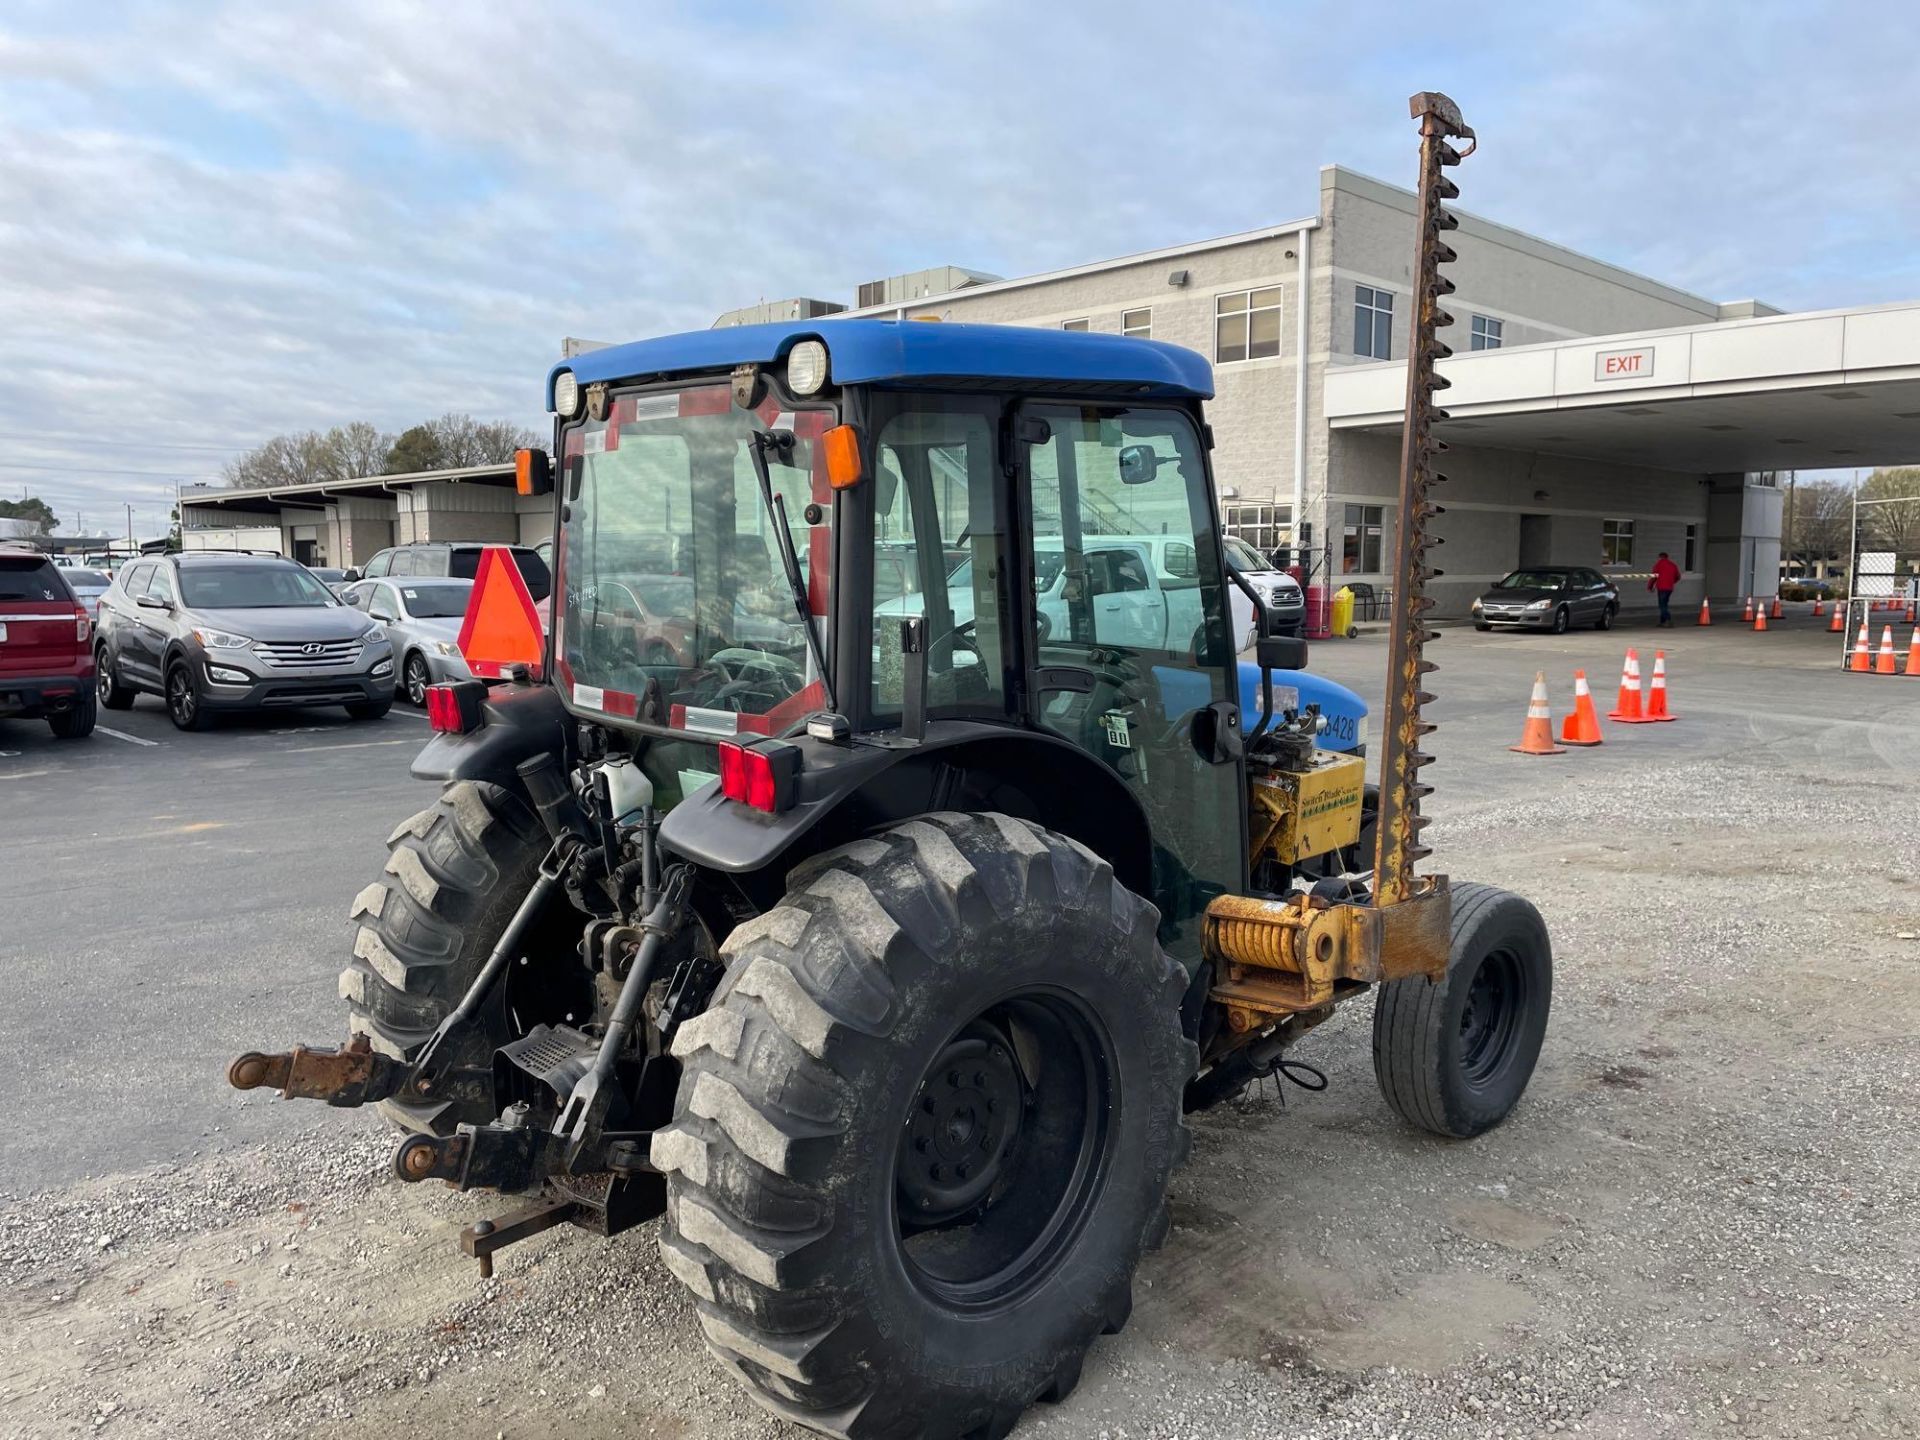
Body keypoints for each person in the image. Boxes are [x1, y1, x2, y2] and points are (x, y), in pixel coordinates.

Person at [1649, 551, 1681, 626]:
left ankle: (1668, 619)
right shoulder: (1673, 565)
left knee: (1662, 605)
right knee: (1665, 604)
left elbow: (1654, 576)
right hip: (1669, 588)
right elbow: (1678, 576)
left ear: (1660, 557)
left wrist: (1650, 587)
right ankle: (1662, 622)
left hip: (1661, 587)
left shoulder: (1658, 565)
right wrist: (1672, 582)